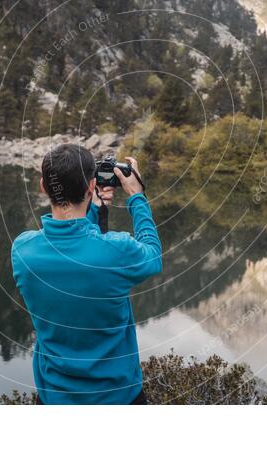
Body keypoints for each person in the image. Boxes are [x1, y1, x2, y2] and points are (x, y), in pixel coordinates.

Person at [11, 144, 162, 404]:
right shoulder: (118, 250)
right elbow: (152, 255)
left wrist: (94, 210)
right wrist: (137, 197)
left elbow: (75, 251)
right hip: (119, 398)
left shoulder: (23, 251)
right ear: (91, 186)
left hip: (54, 398)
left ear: (43, 187)